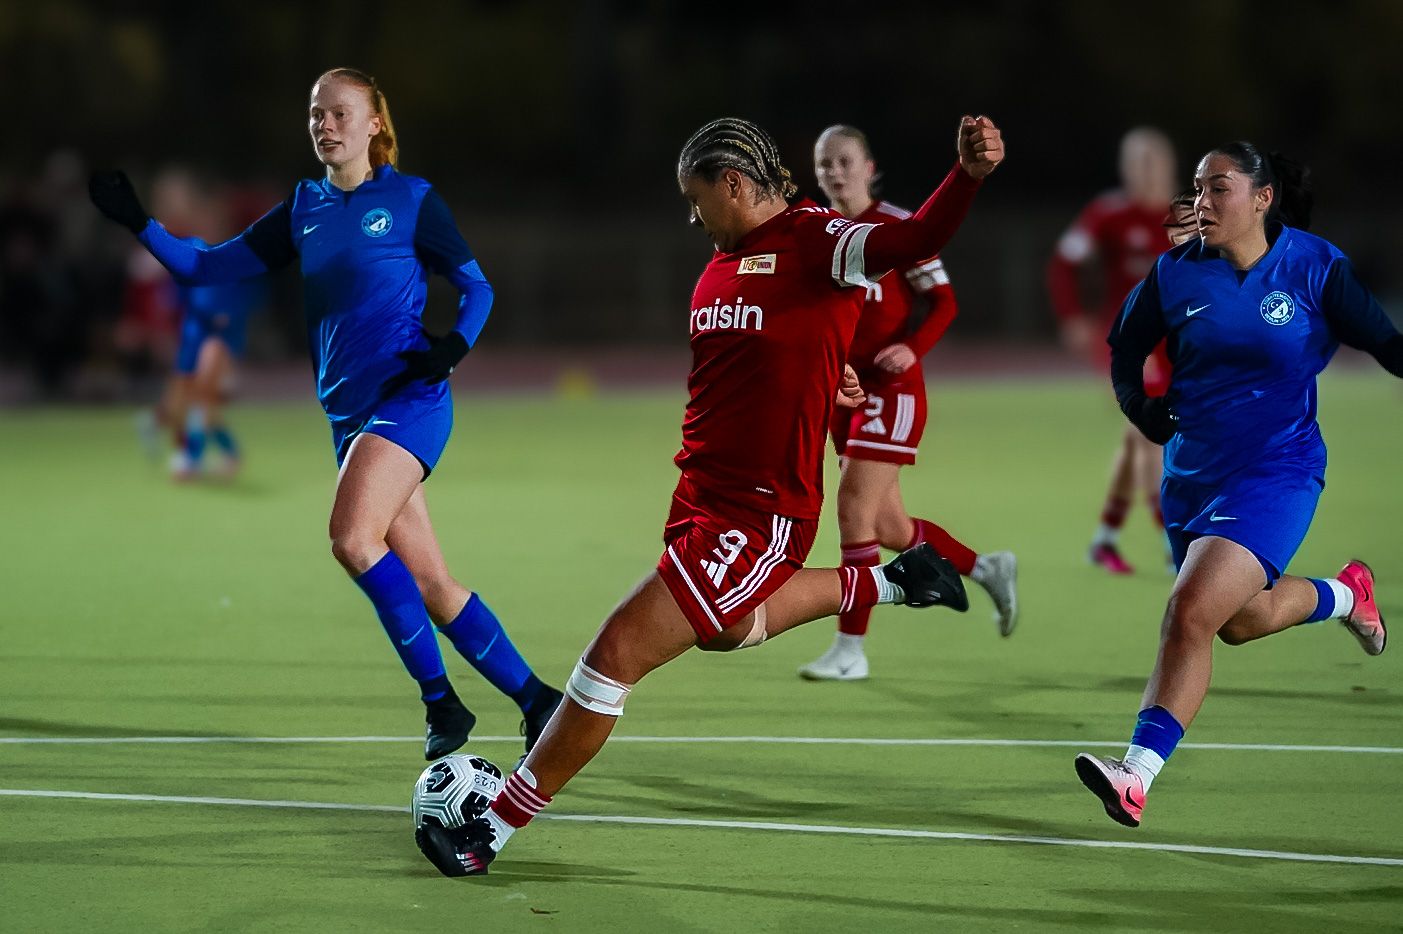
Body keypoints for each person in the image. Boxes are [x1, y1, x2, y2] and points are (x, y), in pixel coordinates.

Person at [416, 114, 1006, 876]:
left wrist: (967, 175)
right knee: (727, 628)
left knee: (613, 655)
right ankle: (895, 579)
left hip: (757, 512)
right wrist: (832, 380)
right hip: (697, 494)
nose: (692, 217)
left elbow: (913, 241)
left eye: (697, 200)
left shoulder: (817, 239)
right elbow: (766, 367)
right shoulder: (720, 265)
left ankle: (488, 832)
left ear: (733, 184)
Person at [89, 67, 562, 760]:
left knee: (350, 538)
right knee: (431, 584)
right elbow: (203, 267)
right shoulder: (302, 209)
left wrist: (451, 348)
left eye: (340, 112)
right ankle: (538, 701)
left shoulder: (411, 200)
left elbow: (475, 287)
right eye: (316, 113)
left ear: (375, 124)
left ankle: (443, 706)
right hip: (350, 420)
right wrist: (140, 223)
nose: (325, 123)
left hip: (408, 401)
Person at [1074, 142, 1397, 828]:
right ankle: (1345, 594)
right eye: (1195, 188)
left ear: (1261, 197)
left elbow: (1386, 343)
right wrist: (1141, 409)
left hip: (1277, 470)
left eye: (1217, 188)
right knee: (1237, 623)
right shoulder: (1174, 274)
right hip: (1191, 476)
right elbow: (1124, 351)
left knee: (1189, 610)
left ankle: (1134, 773)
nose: (1200, 202)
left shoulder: (1314, 265)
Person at [798, 124, 1017, 682]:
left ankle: (851, 649)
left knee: (852, 510)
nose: (834, 172)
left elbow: (943, 302)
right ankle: (984, 567)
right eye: (825, 163)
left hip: (891, 392)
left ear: (869, 167)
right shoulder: (817, 231)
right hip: (839, 395)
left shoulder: (897, 228)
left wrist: (910, 347)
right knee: (890, 527)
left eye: (845, 160)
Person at [1048, 128, 1177, 574]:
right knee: (1151, 438)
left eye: (1150, 161)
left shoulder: (1188, 214)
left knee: (1135, 440)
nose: (1142, 171)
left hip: (1174, 347)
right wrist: (1071, 316)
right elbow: (1064, 263)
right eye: (1134, 161)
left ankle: (1104, 540)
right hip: (1125, 344)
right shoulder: (1107, 213)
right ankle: (1172, 542)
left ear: (1167, 164)